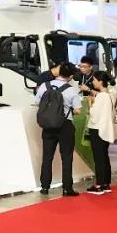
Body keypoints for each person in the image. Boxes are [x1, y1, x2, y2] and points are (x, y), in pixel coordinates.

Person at [34, 62, 82, 196]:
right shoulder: (71, 90)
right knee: (66, 157)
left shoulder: (45, 85)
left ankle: (44, 187)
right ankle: (67, 188)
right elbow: (78, 110)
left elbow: (37, 102)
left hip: (48, 125)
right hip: (65, 125)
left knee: (47, 157)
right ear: (70, 76)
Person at [85, 71, 117, 195]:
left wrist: (90, 103)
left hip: (97, 129)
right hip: (105, 129)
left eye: (94, 80)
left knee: (99, 158)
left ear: (100, 81)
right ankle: (106, 184)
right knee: (104, 157)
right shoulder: (109, 95)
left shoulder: (101, 96)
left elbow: (94, 114)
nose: (93, 82)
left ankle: (99, 185)